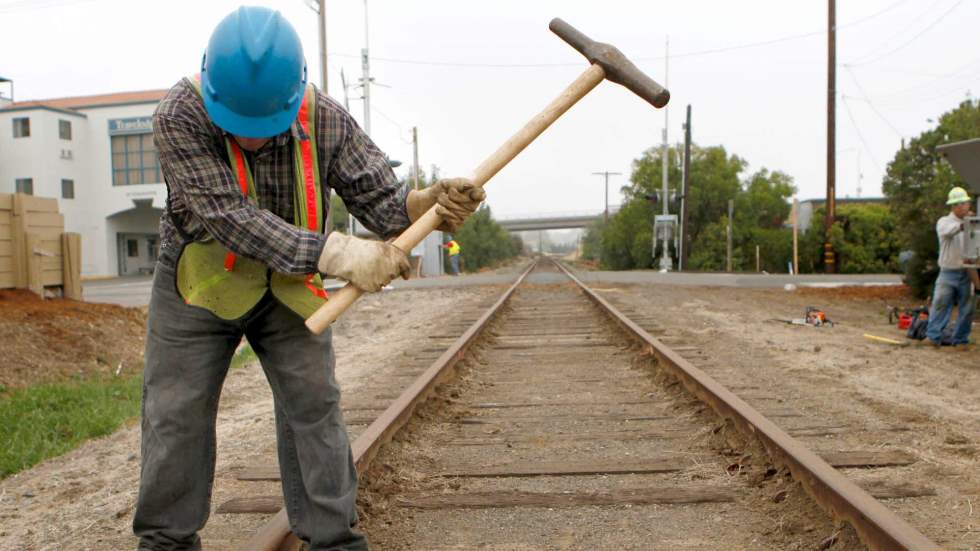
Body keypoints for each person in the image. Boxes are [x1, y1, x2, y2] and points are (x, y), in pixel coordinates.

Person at [133, 7, 484, 550]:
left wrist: (424, 204)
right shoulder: (180, 115)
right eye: (238, 128)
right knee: (174, 413)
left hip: (290, 286)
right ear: (211, 90)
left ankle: (332, 540)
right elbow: (228, 218)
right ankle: (165, 542)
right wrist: (339, 252)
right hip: (197, 284)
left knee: (314, 407)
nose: (250, 140)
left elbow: (384, 204)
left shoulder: (326, 119)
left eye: (263, 127)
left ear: (293, 96)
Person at [925, 186, 975, 348]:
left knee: (967, 309)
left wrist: (972, 223)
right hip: (948, 272)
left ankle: (960, 340)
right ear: (953, 206)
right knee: (940, 303)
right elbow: (949, 232)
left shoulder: (972, 223)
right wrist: (966, 224)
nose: (962, 207)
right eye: (958, 204)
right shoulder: (944, 222)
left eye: (964, 203)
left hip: (967, 272)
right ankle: (933, 337)